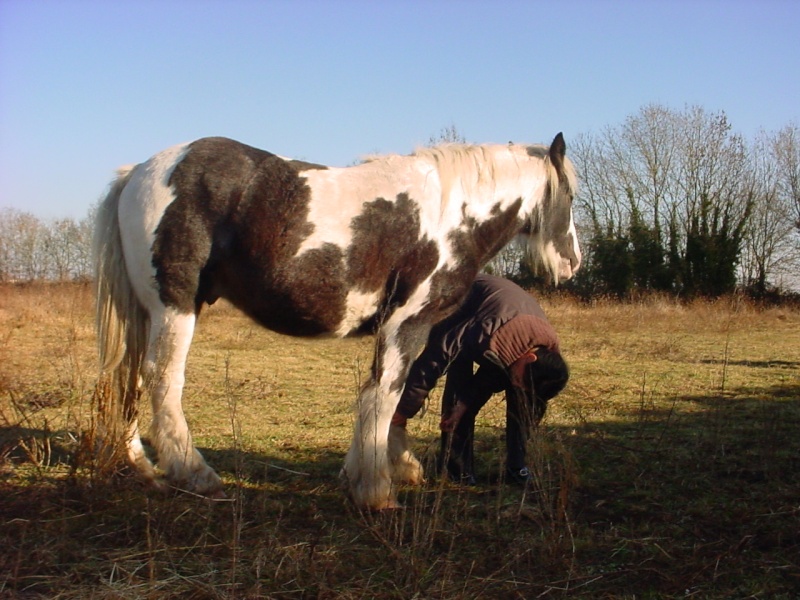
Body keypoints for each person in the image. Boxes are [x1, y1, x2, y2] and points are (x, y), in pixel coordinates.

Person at [392, 274, 569, 485]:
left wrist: (467, 404)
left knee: (524, 399)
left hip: (504, 322)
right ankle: (456, 470)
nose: (515, 384)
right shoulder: (486, 331)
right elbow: (435, 358)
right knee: (458, 375)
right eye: (520, 380)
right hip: (457, 304)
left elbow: (490, 378)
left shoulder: (547, 355)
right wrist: (404, 409)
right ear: (529, 357)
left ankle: (516, 468)